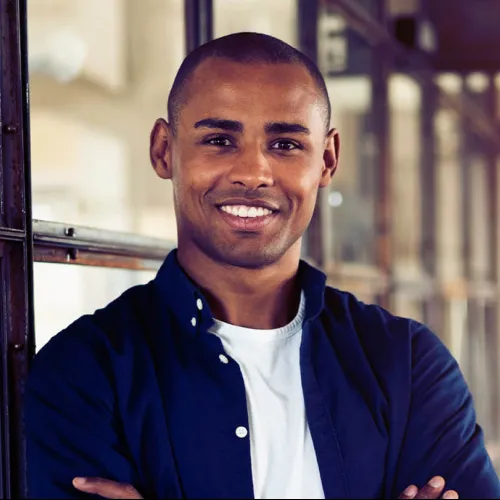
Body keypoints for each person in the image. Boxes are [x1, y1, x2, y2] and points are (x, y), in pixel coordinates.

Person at [25, 32, 500, 500]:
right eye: (218, 139)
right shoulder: (83, 373)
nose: (253, 173)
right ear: (164, 150)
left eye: (286, 145)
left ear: (327, 159)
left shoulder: (409, 366)